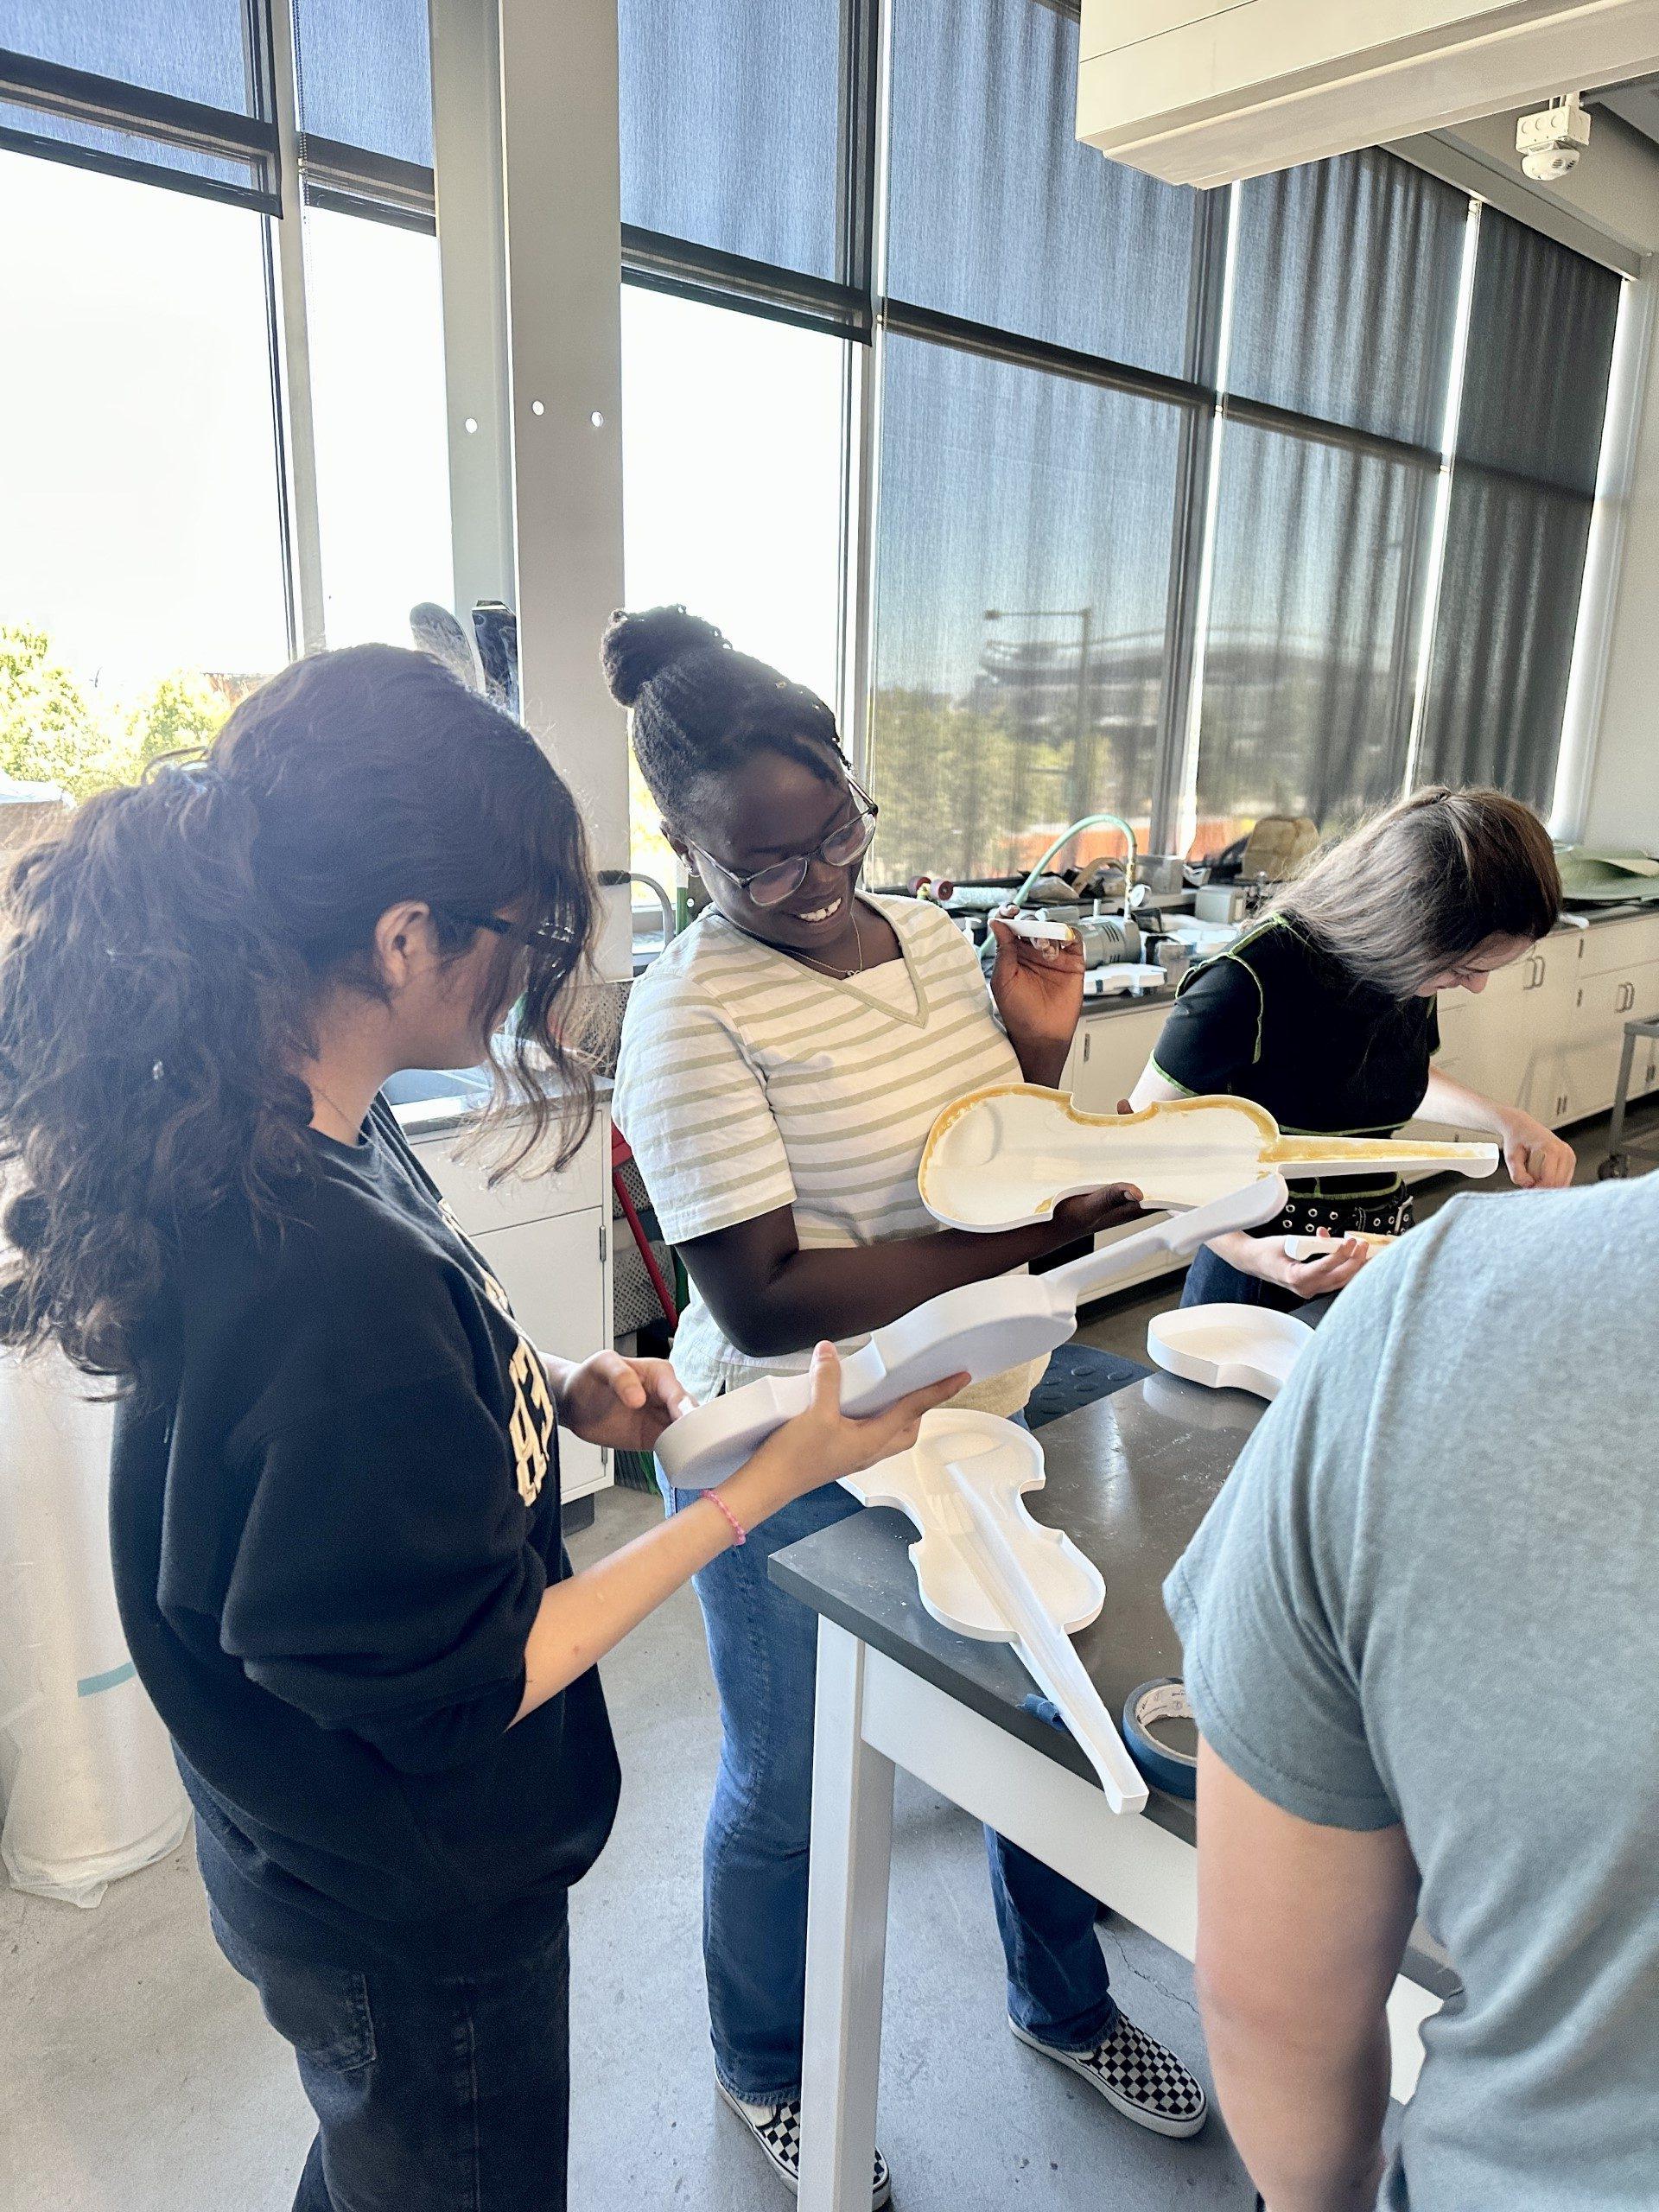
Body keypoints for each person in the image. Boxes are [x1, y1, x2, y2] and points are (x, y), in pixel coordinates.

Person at [0, 645, 963, 2212]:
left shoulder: (289, 1113)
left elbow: (335, 1442)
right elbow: (464, 1692)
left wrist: (564, 1381)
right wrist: (746, 1491)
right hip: (410, 1893)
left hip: (296, 1838)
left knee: (378, 2152)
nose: (536, 972)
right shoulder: (331, 1276)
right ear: (403, 935)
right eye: (524, 937)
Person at [608, 605, 1207, 2210]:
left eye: (839, 834)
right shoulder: (686, 1015)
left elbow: (987, 1148)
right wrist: (1034, 1239)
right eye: (767, 868)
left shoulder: (924, 936)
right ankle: (764, 2065)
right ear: (683, 849)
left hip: (994, 1373)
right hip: (799, 1429)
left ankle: (1063, 1999)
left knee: (1061, 1691)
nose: (817, 885)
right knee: (791, 1786)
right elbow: (765, 1296)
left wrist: (1034, 1046)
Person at [1166, 1173, 1659, 2211]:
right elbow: (1183, 1171)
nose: (1471, 993)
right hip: (1263, 1288)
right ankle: (1059, 2004)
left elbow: (1271, 2007)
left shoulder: (1441, 1307)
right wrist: (1264, 1248)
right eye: (1450, 986)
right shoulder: (1235, 1000)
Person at [1130, 787, 1575, 1309]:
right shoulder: (1246, 981)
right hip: (1262, 1261)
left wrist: (1505, 1121)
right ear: (1403, 927)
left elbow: (1386, 1075)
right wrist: (1248, 1254)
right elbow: (1141, 1147)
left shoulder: (1408, 973)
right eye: (1464, 970)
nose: (1475, 987)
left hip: (1377, 1250)